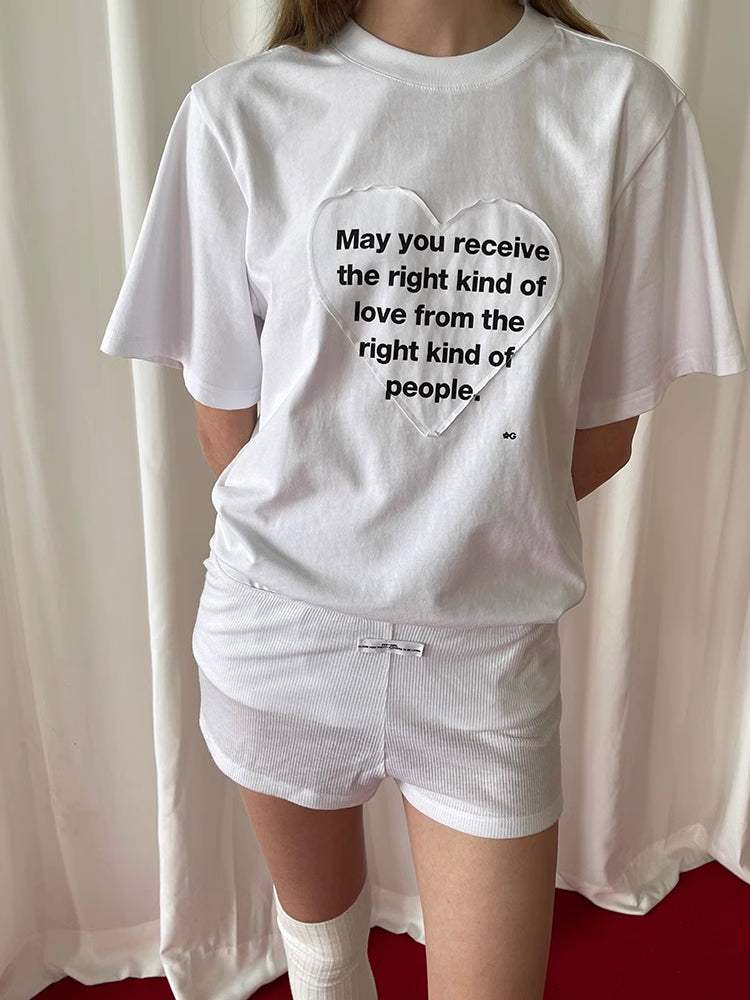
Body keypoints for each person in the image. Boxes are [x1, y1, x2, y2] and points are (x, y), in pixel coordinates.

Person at [99, 0, 748, 996]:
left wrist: (450, 530)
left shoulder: (625, 110)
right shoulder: (239, 113)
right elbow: (226, 427)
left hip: (487, 671)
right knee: (324, 965)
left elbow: (603, 431)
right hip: (279, 648)